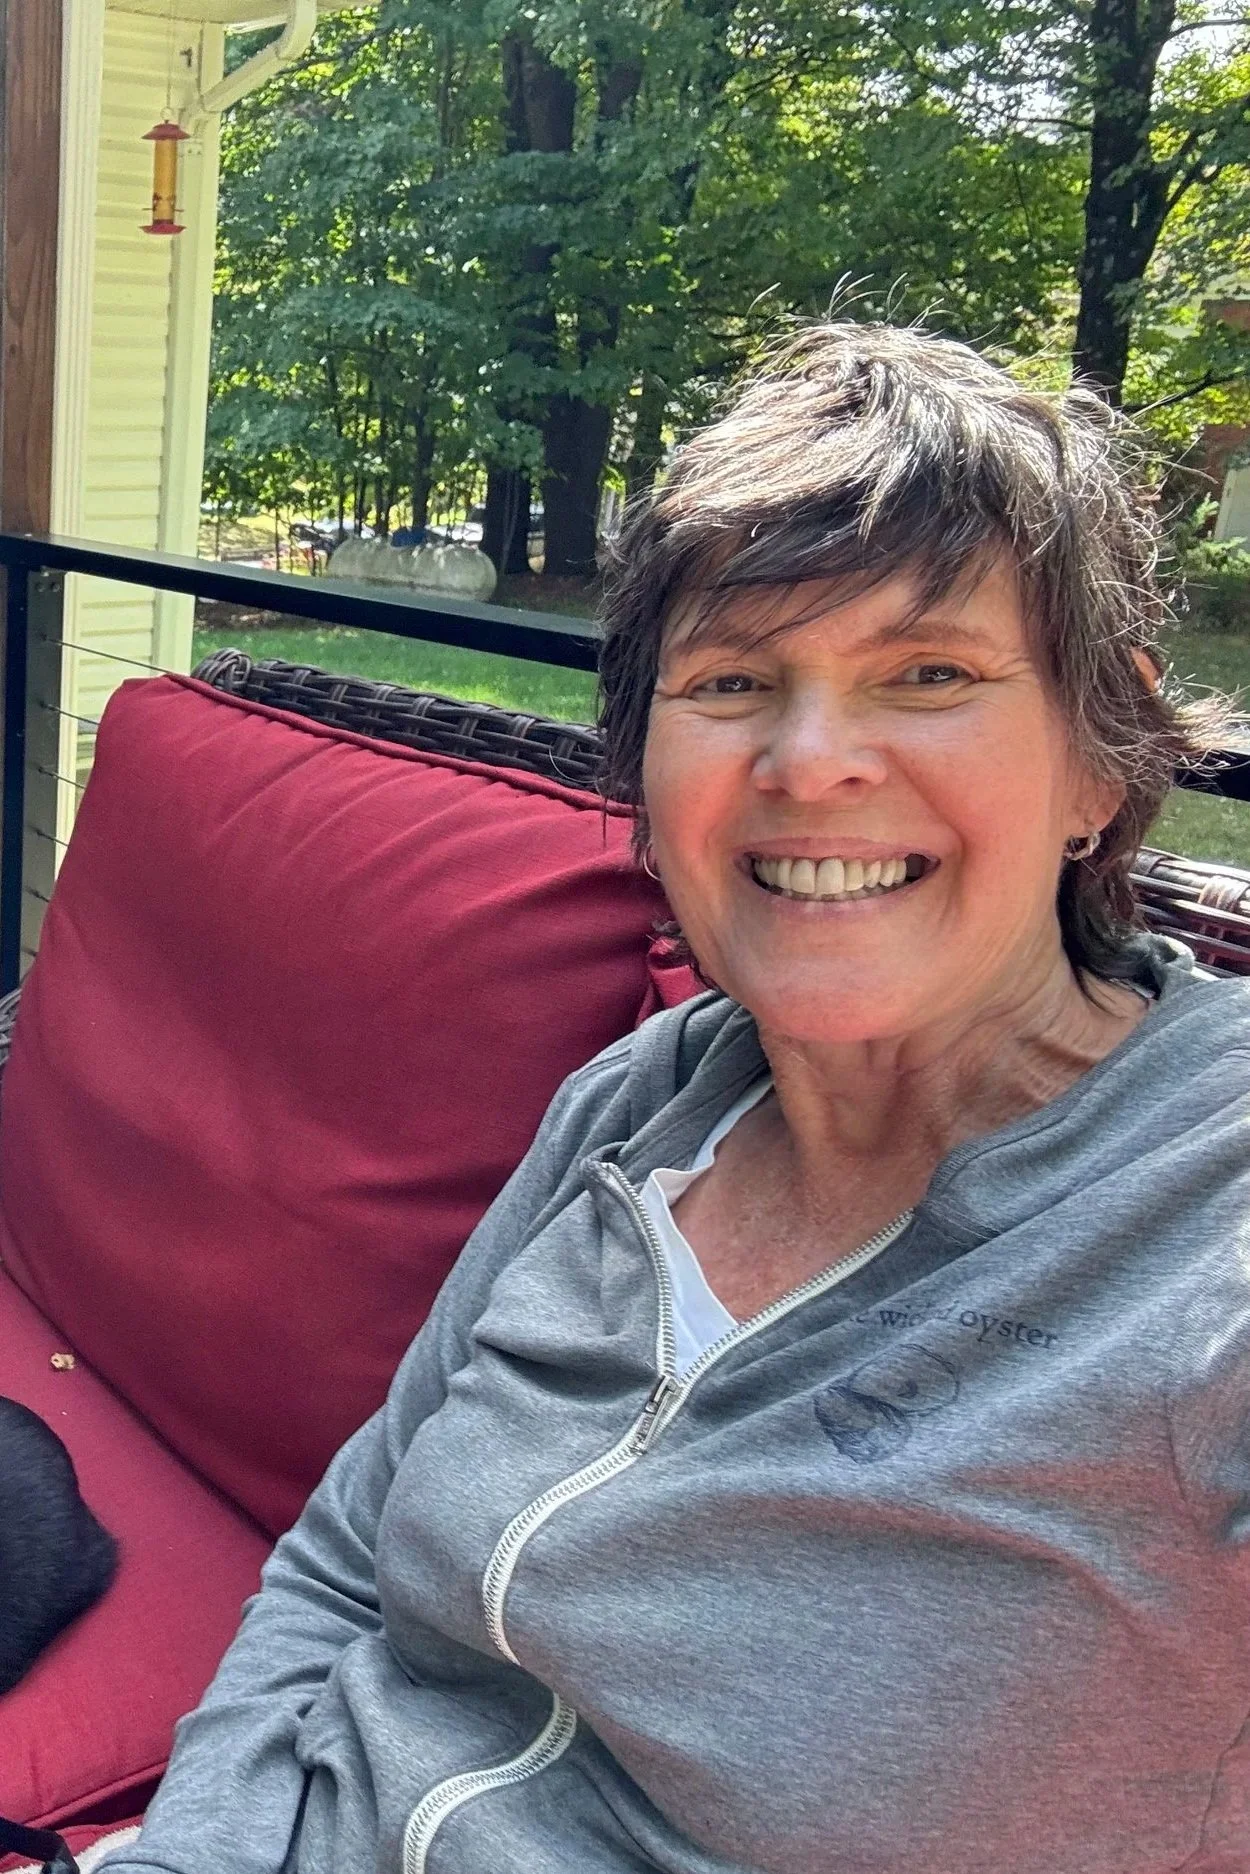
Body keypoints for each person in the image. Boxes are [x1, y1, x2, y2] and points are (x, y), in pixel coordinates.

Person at [100, 325, 1250, 1874]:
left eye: (929, 672)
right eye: (731, 680)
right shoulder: (645, 1103)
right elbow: (348, 1559)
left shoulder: (1200, 1215)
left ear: (1098, 757)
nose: (810, 757)